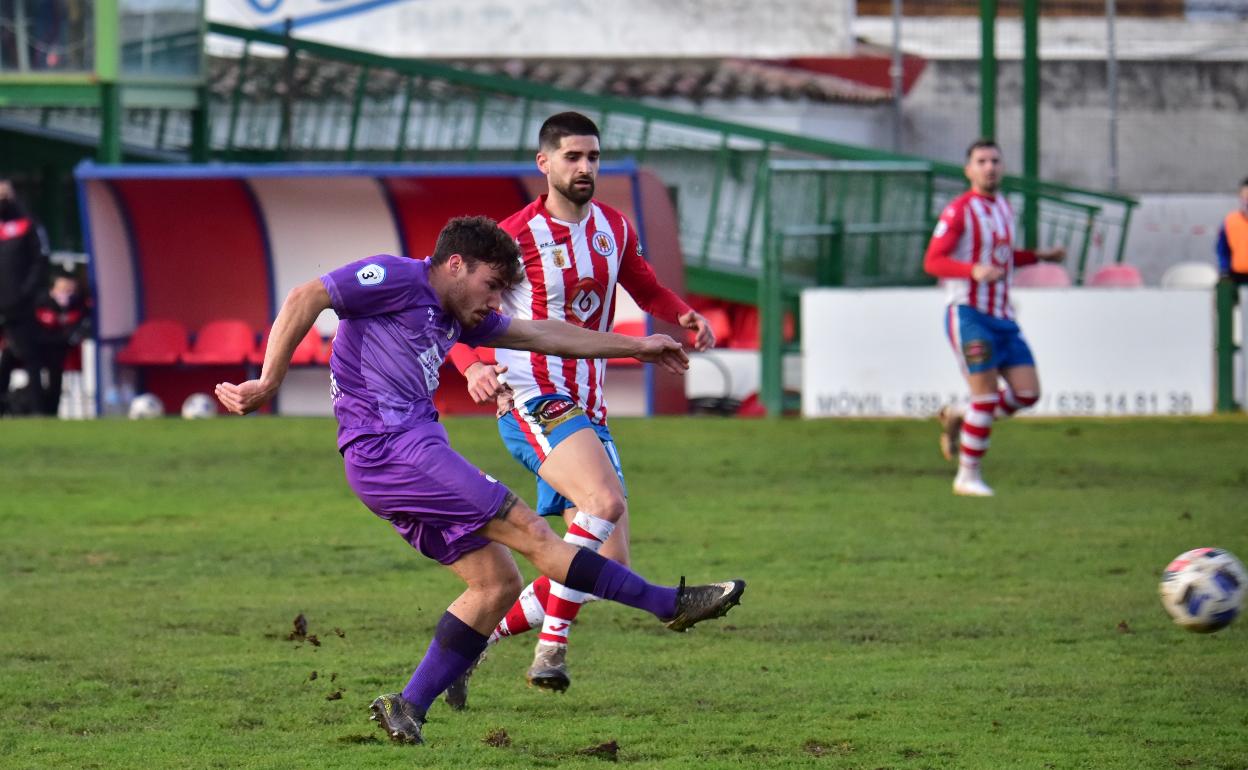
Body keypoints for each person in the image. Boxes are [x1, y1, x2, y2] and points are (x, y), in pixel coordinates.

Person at [213, 216, 744, 746]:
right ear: (455, 265)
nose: (495, 303)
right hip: (392, 447)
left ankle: (408, 704)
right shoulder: (396, 277)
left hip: (398, 457)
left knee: (497, 584)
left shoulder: (457, 314)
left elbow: (540, 332)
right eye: (492, 287)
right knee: (534, 534)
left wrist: (636, 347)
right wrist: (267, 382)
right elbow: (309, 295)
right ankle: (667, 605)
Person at [445, 111, 715, 700]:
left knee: (603, 565)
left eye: (593, 157)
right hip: (534, 398)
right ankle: (552, 647)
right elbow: (455, 311)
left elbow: (640, 282)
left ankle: (471, 648)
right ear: (544, 163)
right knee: (605, 503)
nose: (585, 167)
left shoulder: (613, 227)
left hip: (588, 407)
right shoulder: (512, 237)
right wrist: (473, 367)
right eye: (572, 157)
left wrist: (681, 313)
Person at [923, 139, 1066, 497]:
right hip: (969, 315)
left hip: (1003, 316)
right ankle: (967, 476)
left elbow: (1002, 257)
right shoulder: (959, 211)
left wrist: (1038, 256)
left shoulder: (1003, 207)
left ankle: (959, 413)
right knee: (985, 397)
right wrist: (971, 270)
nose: (989, 167)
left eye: (995, 161)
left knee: (1027, 394)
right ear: (968, 169)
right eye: (981, 161)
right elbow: (933, 261)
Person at [0, 180, 50, 417]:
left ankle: (38, 409)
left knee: (30, 356)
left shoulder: (27, 224)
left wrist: (26, 292)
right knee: (8, 358)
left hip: (19, 304)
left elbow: (40, 260)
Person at [33, 272, 91, 416]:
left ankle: (50, 411)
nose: (67, 293)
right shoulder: (41, 303)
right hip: (39, 346)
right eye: (63, 289)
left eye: (70, 290)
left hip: (63, 349)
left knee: (56, 367)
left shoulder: (79, 305)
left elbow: (79, 329)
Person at [1215, 177, 1248, 284]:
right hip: (1236, 276)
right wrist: (1224, 270)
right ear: (1240, 196)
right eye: (1246, 195)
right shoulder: (1230, 221)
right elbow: (1222, 249)